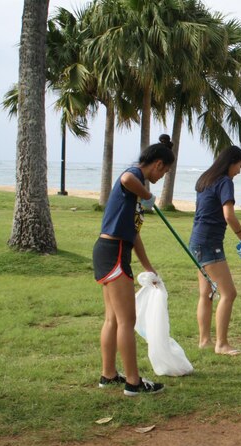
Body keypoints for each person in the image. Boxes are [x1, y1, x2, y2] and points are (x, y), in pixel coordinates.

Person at [93, 143, 176, 396]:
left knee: (113, 319)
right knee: (127, 321)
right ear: (158, 164)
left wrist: (149, 268)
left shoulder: (133, 197)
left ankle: (108, 375)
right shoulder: (135, 175)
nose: (160, 177)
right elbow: (128, 178)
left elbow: (134, 235)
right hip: (115, 252)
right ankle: (133, 382)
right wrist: (149, 197)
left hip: (108, 250)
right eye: (163, 172)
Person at [189, 146, 241, 356]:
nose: (239, 171)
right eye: (239, 166)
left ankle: (204, 341)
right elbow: (229, 215)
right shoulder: (225, 182)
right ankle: (221, 344)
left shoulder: (205, 179)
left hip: (196, 241)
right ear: (231, 162)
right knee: (229, 293)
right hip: (209, 243)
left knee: (205, 294)